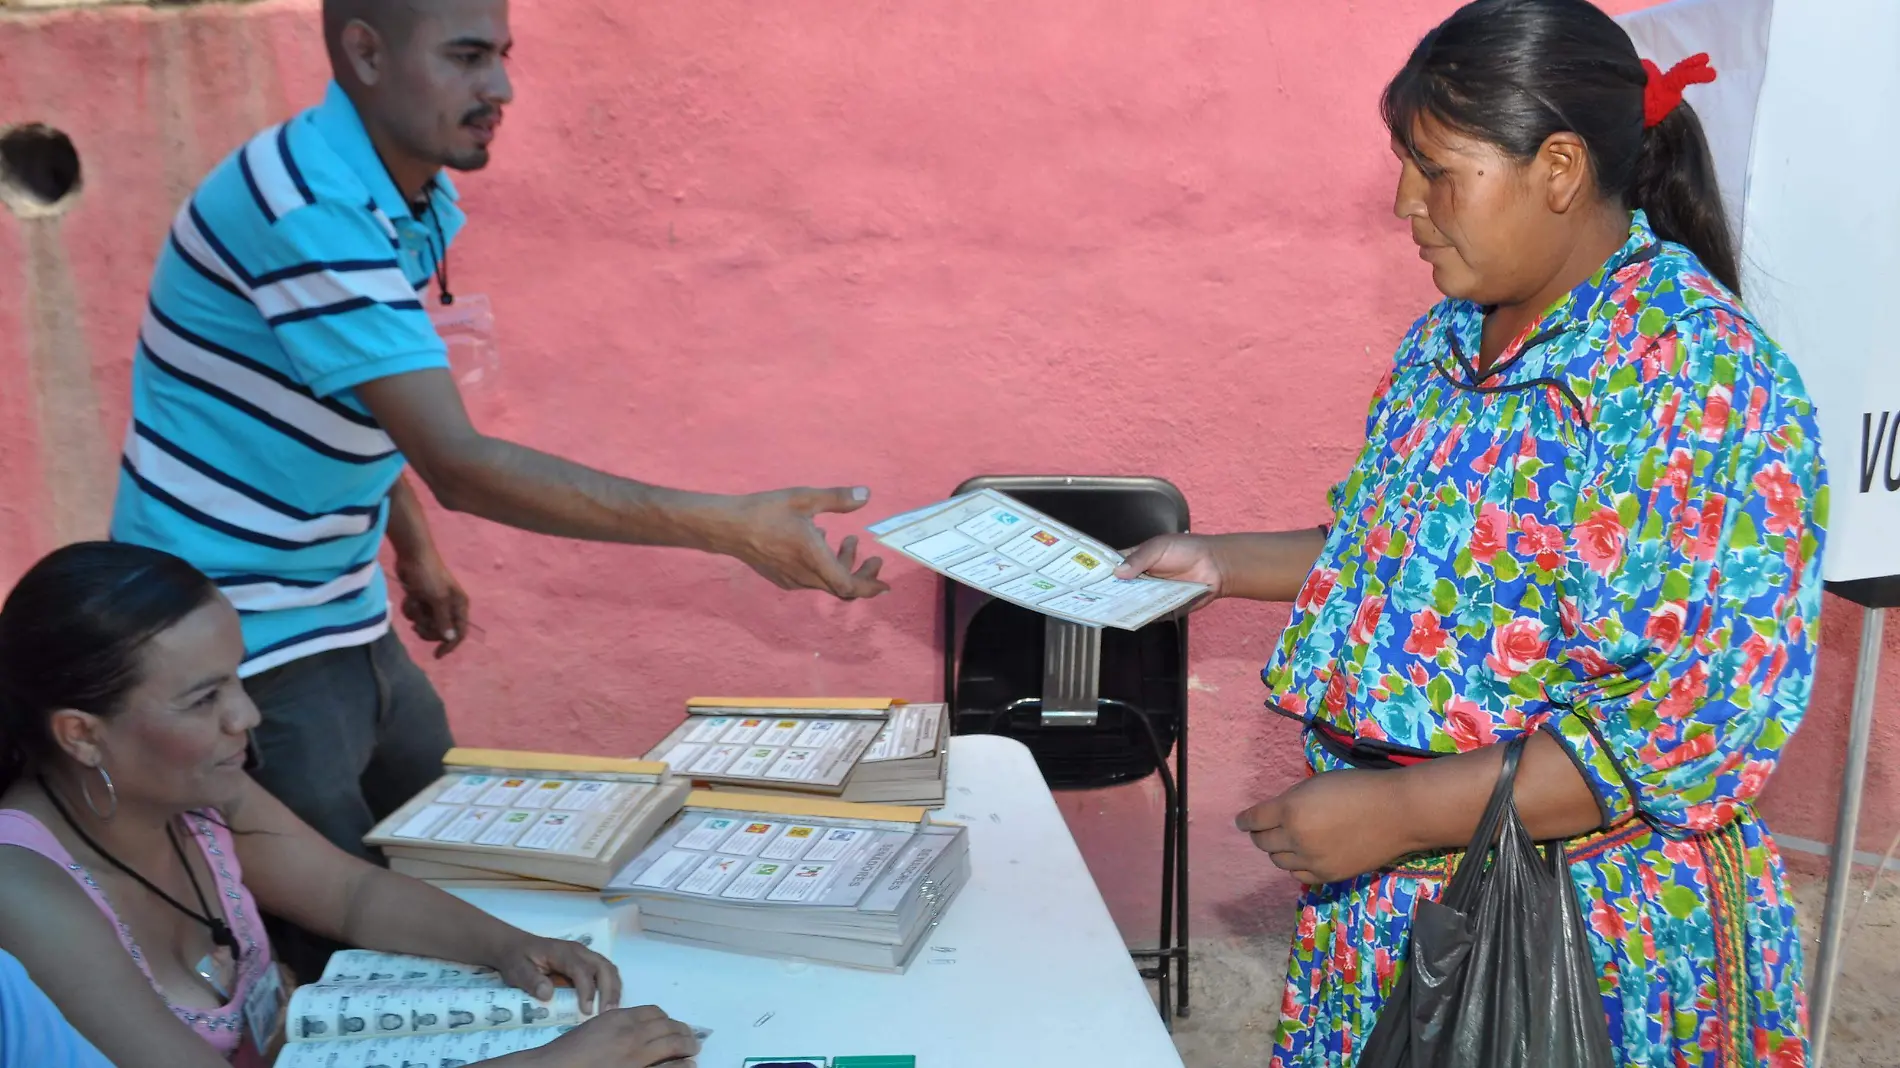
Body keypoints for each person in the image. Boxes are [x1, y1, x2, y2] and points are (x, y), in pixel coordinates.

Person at [109, 0, 885, 974]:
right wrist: (730, 528)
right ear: (364, 52)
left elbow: (355, 399)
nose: (502, 88)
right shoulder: (309, 211)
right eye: (469, 58)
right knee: (346, 946)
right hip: (241, 633)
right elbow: (461, 463)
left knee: (446, 872)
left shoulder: (408, 192)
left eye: (505, 57)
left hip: (342, 604)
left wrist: (412, 546)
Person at [1119, 1, 1824, 1064]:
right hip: (1402, 899)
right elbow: (1404, 555)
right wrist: (1214, 564)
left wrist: (1398, 812)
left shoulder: (1698, 384)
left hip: (1577, 942)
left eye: (1437, 171)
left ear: (1556, 168)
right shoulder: (1451, 340)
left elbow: (1676, 735)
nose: (1405, 204)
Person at [0, 542, 702, 1068]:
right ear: (81, 735)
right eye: (203, 699)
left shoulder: (199, 793)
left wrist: (510, 945)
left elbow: (350, 894)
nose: (244, 716)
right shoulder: (24, 892)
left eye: (237, 680)